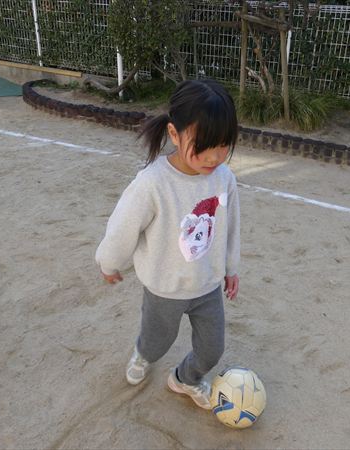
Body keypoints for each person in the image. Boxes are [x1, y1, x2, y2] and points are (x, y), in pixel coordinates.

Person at [95, 79, 240, 410]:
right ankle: (142, 354)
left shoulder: (224, 178)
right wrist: (109, 261)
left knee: (212, 349)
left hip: (207, 286)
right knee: (156, 341)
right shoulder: (153, 182)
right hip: (164, 288)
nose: (215, 156)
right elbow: (123, 227)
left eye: (223, 145)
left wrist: (231, 268)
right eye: (204, 145)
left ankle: (185, 379)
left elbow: (231, 226)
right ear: (174, 134)